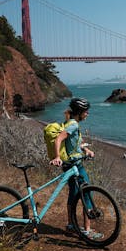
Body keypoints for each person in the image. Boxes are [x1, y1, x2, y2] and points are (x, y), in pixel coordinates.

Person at [49, 97, 102, 239]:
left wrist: (86, 150)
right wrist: (57, 157)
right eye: (86, 111)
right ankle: (87, 230)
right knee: (86, 193)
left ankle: (71, 225)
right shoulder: (73, 125)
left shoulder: (70, 122)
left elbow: (73, 143)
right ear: (79, 112)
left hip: (70, 165)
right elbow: (59, 139)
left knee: (73, 194)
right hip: (74, 166)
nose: (88, 114)